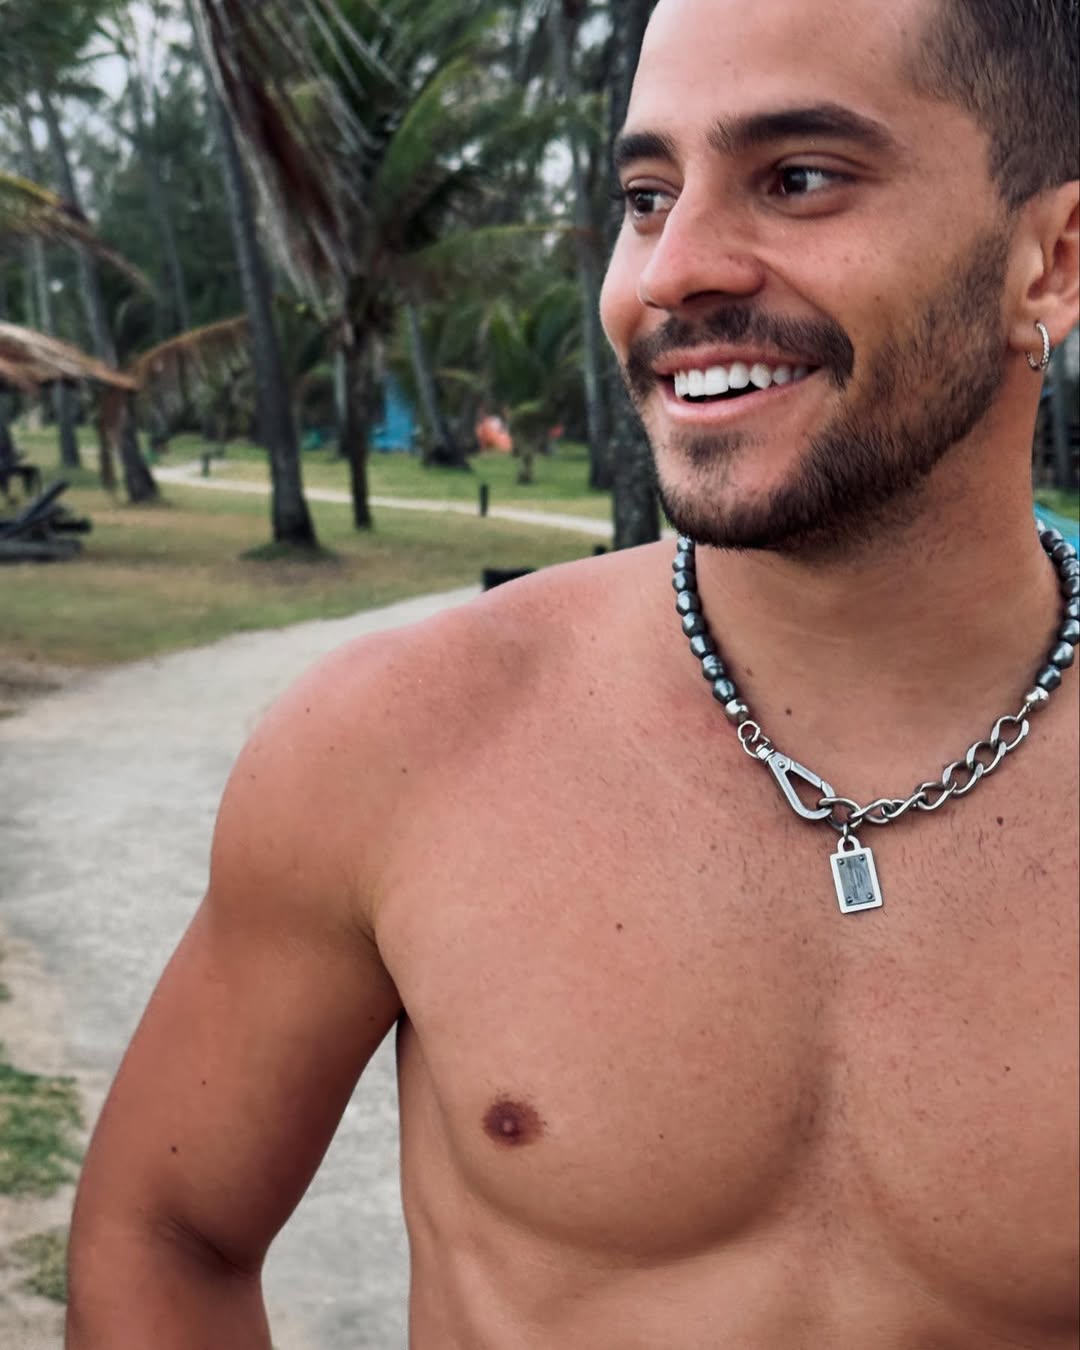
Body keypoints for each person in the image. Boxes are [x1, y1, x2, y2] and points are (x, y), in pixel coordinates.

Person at [67, 0, 1079, 1345]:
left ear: (1051, 262)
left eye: (799, 178)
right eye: (647, 196)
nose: (671, 270)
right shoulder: (400, 742)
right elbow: (163, 1231)